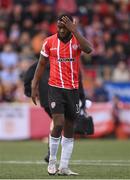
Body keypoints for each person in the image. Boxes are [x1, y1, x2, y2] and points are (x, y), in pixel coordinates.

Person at [31, 14, 92, 175]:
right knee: (58, 123)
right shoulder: (49, 42)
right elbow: (41, 64)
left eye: (65, 27)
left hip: (73, 90)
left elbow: (89, 49)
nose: (61, 30)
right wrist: (34, 84)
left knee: (70, 127)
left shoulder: (77, 41)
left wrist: (75, 31)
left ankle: (64, 167)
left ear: (71, 26)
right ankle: (51, 162)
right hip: (55, 88)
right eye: (59, 26)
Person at [24, 60, 94, 163]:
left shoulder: (47, 58)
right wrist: (82, 97)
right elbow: (76, 77)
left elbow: (30, 72)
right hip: (57, 94)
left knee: (57, 121)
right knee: (58, 121)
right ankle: (52, 154)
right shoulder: (65, 59)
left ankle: (53, 154)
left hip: (47, 95)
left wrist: (28, 89)